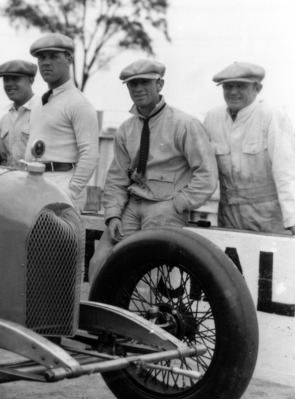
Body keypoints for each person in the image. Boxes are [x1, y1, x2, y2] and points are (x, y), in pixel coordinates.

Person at [88, 59, 217, 282]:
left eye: (145, 82)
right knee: (100, 263)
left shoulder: (184, 124)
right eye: (132, 84)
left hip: (165, 207)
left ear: (160, 84)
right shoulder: (126, 129)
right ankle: (101, 316)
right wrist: (113, 214)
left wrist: (179, 203)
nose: (138, 89)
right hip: (132, 205)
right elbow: (117, 178)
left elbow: (206, 175)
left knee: (148, 275)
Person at [203, 62, 295, 236]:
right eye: (228, 86)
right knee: (227, 263)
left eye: (241, 86)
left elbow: (287, 171)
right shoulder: (213, 117)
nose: (233, 92)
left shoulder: (271, 115)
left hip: (268, 217)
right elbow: (201, 166)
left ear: (257, 88)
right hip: (228, 216)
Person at [25, 33, 99, 206]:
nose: (46, 62)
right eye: (42, 57)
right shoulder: (40, 103)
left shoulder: (79, 103)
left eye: (54, 57)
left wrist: (71, 191)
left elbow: (90, 154)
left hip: (62, 184)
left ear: (69, 60)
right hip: (35, 182)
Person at [0, 59, 38, 167]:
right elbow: (5, 159)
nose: (9, 84)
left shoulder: (43, 111)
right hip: (12, 182)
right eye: (6, 79)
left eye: (16, 79)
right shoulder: (5, 119)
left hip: (37, 181)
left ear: (31, 80)